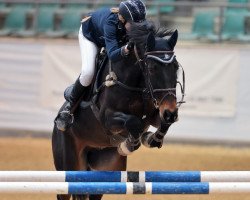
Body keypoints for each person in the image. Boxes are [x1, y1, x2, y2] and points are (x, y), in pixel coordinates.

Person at [55, 0, 147, 132]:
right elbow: (113, 54)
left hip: (108, 38)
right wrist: (126, 49)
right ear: (123, 19)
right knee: (88, 73)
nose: (137, 27)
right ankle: (69, 107)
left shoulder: (132, 22)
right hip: (91, 36)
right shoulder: (111, 23)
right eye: (133, 25)